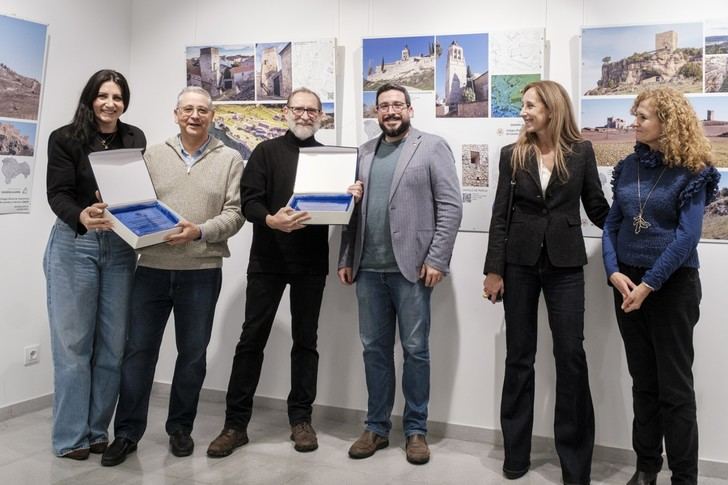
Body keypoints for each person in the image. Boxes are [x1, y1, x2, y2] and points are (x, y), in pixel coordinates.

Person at [207, 87, 363, 458]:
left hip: (310, 262)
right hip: (268, 260)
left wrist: (351, 195)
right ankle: (235, 425)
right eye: (299, 109)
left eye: (312, 110)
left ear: (321, 117)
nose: (305, 115)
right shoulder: (265, 152)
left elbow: (339, 211)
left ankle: (301, 421)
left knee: (306, 341)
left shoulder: (331, 159)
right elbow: (249, 202)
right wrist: (270, 220)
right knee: (251, 340)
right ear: (286, 112)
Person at [101, 86, 244, 466]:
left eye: (202, 110)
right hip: (151, 269)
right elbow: (133, 204)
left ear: (212, 116)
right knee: (137, 353)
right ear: (176, 114)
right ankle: (127, 433)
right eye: (187, 109)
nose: (194, 116)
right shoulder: (151, 156)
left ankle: (180, 428)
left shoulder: (230, 159)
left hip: (201, 272)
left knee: (192, 355)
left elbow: (235, 214)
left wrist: (199, 231)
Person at [482, 80, 609, 484]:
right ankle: (515, 455)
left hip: (565, 266)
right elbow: (500, 215)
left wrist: (633, 227)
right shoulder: (512, 154)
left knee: (571, 357)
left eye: (530, 105)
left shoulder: (581, 151)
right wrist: (493, 270)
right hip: (518, 265)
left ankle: (575, 465)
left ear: (552, 109)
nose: (523, 112)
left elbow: (596, 207)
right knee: (519, 358)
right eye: (523, 105)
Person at [337, 83, 462, 465]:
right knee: (373, 351)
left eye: (397, 104)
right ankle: (376, 427)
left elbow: (451, 207)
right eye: (383, 106)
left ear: (409, 109)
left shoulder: (432, 147)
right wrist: (346, 256)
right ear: (376, 112)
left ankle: (416, 431)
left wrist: (437, 260)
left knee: (415, 351)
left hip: (412, 271)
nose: (390, 111)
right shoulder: (363, 153)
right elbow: (352, 213)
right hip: (368, 270)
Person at [602, 87, 719, 485]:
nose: (634, 122)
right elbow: (612, 225)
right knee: (644, 383)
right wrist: (613, 271)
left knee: (676, 388)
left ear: (668, 122)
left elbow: (687, 237)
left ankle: (684, 477)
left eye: (643, 117)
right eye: (634, 115)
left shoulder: (694, 170)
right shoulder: (628, 167)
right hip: (626, 284)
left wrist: (649, 284)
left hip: (672, 288)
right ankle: (646, 468)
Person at [43, 69, 146, 460]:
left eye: (117, 97)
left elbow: (137, 191)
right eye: (103, 96)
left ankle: (96, 430)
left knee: (112, 347)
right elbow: (58, 194)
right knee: (73, 346)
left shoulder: (134, 138)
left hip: (119, 246)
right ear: (90, 98)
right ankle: (71, 437)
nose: (110, 103)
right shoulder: (65, 138)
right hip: (76, 243)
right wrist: (82, 216)